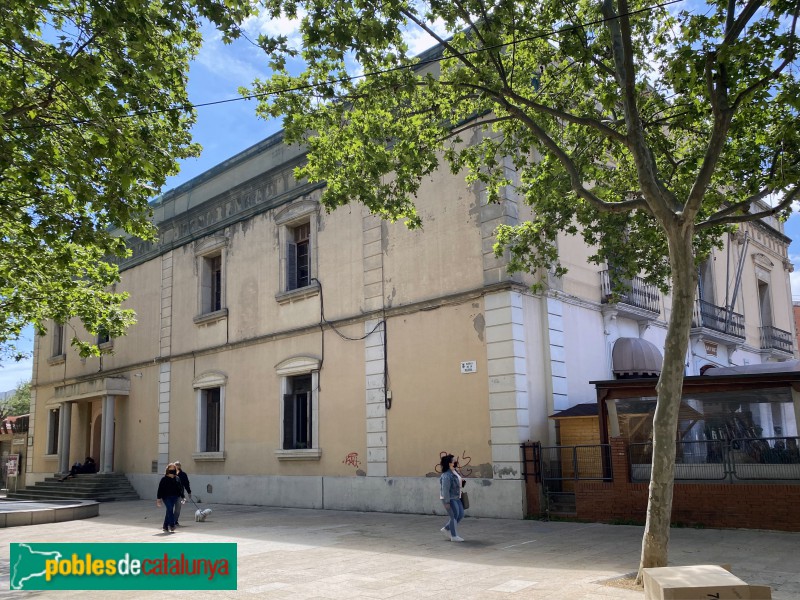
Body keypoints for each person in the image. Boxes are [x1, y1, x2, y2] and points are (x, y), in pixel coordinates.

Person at [438, 454, 464, 542]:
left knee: (460, 515)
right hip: (450, 498)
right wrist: (447, 502)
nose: (456, 461)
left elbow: (460, 483)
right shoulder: (446, 475)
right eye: (454, 461)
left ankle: (446, 529)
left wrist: (461, 482)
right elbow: (445, 490)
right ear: (450, 463)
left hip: (457, 496)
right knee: (454, 516)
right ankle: (454, 536)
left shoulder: (455, 471)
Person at [156, 462, 184, 533]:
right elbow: (160, 489)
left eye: (173, 469)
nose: (172, 471)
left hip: (175, 497)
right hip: (166, 497)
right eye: (170, 469)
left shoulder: (177, 478)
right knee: (170, 509)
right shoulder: (164, 479)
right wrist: (158, 499)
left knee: (169, 510)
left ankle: (165, 526)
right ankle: (172, 525)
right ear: (168, 470)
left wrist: (183, 497)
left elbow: (180, 488)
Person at [172, 460, 191, 526]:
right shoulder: (171, 474)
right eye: (176, 465)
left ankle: (175, 521)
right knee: (170, 509)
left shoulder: (183, 475)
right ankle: (170, 521)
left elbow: (186, 484)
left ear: (180, 466)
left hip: (179, 494)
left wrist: (189, 492)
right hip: (171, 494)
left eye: (178, 465)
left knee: (178, 509)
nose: (177, 467)